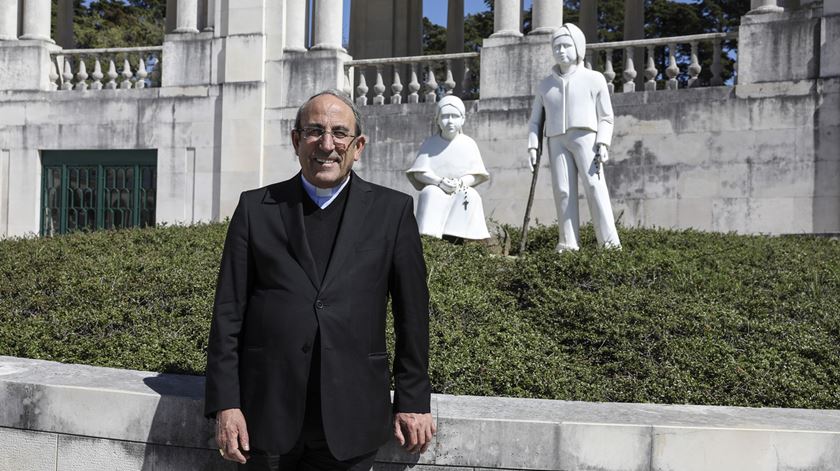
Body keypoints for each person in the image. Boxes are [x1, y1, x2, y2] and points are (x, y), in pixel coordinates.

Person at [204, 89, 436, 470]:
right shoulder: (255, 209)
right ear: (296, 140)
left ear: (358, 146)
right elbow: (228, 313)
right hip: (265, 418)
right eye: (314, 131)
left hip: (353, 418)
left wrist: (412, 400)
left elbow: (413, 315)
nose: (327, 144)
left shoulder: (393, 213)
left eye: (340, 133)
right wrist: (226, 404)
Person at [527, 23, 622, 251]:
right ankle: (568, 242)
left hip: (586, 137)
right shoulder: (545, 85)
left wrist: (603, 142)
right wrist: (532, 145)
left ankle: (609, 244)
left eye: (566, 45)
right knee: (563, 191)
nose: (561, 50)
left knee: (594, 187)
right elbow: (535, 121)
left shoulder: (594, 78)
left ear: (578, 47)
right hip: (556, 139)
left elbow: (606, 117)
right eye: (557, 46)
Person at [406, 96, 491, 240]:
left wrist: (460, 183)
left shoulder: (469, 144)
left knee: (469, 195)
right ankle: (429, 237)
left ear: (463, 119)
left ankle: (459, 238)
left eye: (455, 116)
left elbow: (476, 174)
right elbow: (419, 173)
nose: (450, 121)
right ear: (437, 120)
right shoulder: (429, 144)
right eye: (445, 116)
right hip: (437, 186)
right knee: (429, 192)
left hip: (460, 187)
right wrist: (439, 182)